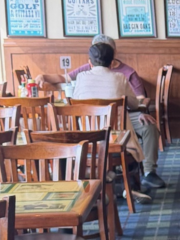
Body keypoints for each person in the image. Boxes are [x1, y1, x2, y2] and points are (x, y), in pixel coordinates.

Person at [37, 34, 166, 189]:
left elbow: (140, 100)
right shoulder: (117, 77)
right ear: (111, 61)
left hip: (92, 130)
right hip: (117, 127)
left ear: (90, 61)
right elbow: (133, 102)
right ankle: (120, 173)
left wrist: (141, 111)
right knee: (142, 126)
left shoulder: (91, 76)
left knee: (148, 126)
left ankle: (147, 172)